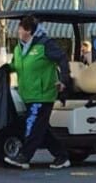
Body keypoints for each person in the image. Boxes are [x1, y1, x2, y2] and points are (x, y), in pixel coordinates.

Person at [5, 12, 72, 171]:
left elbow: (62, 58)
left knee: (32, 125)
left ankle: (24, 157)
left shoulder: (44, 44)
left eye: (20, 29)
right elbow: (16, 65)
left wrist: (64, 80)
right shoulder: (18, 48)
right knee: (41, 128)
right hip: (27, 94)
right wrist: (4, 70)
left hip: (43, 94)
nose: (18, 32)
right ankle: (62, 156)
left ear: (28, 30)